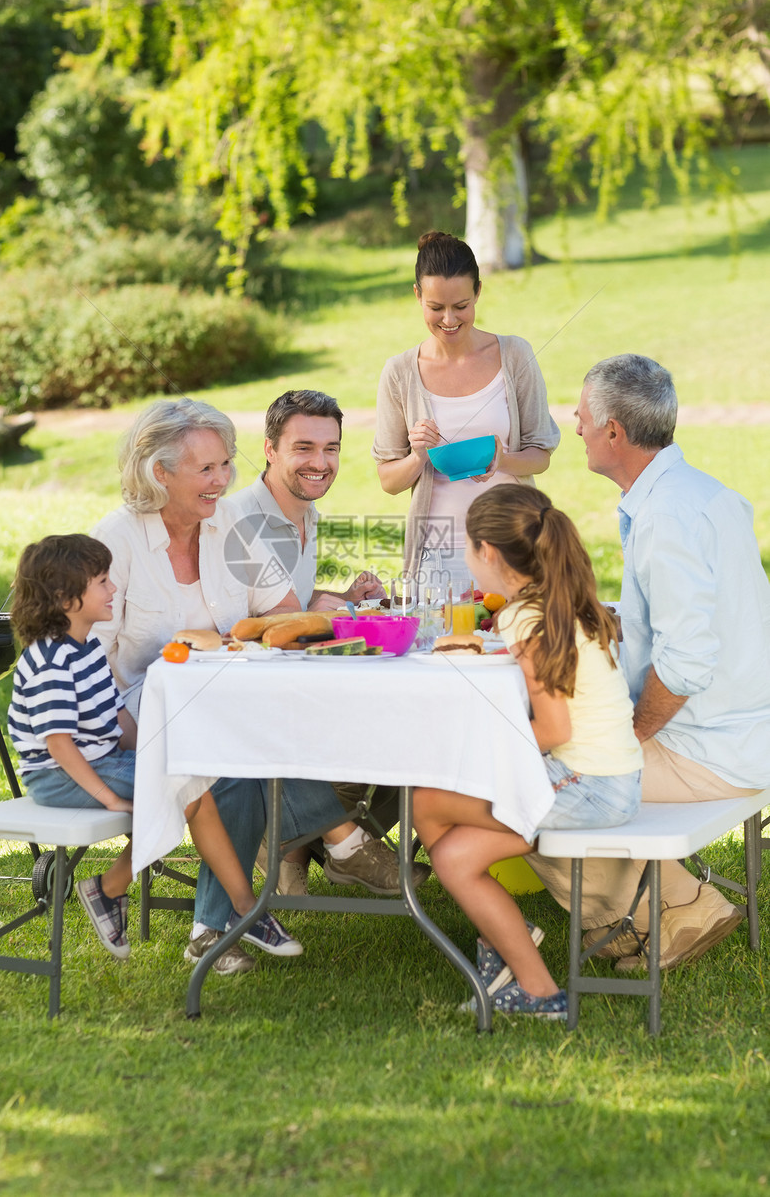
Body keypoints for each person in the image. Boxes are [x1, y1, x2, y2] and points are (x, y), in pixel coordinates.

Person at [91, 398, 422, 976]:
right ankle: (339, 843)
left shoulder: (227, 527)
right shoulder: (115, 542)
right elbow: (85, 665)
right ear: (158, 472)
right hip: (136, 714)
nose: (221, 481)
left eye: (225, 466)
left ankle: (210, 927)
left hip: (224, 708)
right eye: (206, 469)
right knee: (241, 758)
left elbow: (284, 610)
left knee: (245, 759)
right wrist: (134, 736)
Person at [527, 354, 770, 971]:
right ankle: (665, 904)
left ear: (614, 432)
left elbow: (685, 664)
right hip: (740, 729)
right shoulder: (701, 494)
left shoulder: (665, 517)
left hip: (709, 750)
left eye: (581, 417)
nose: (573, 426)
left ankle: (669, 910)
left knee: (515, 783)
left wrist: (628, 738)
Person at [7, 534, 300, 963]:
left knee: (193, 778)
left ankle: (239, 908)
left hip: (98, 761)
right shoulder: (50, 660)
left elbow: (117, 721)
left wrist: (158, 753)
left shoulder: (87, 648)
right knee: (188, 788)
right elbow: (59, 744)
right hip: (59, 776)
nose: (113, 590)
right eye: (103, 582)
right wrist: (108, 796)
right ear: (66, 599)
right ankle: (124, 891)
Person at [414, 486, 643, 1018]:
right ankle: (536, 987)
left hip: (590, 783)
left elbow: (555, 727)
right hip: (607, 776)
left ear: (488, 553)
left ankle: (501, 942)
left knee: (426, 799)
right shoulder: (563, 600)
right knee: (454, 855)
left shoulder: (524, 617)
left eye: (468, 551)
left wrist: (482, 758)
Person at [226, 388, 430, 893]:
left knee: (402, 715)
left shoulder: (302, 513)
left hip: (288, 678)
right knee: (385, 720)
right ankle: (334, 845)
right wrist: (350, 615)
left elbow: (286, 598)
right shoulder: (244, 520)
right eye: (304, 448)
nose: (320, 462)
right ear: (270, 449)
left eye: (331, 448)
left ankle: (296, 851)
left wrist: (342, 597)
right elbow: (277, 621)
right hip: (248, 689)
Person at [373, 230, 560, 589]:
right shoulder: (399, 372)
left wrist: (501, 461)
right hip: (438, 554)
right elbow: (388, 481)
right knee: (444, 645)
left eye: (461, 306)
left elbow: (541, 456)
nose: (448, 320)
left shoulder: (515, 356)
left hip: (514, 544)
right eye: (435, 307)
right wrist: (417, 456)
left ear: (478, 292)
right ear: (417, 296)